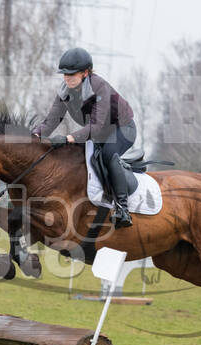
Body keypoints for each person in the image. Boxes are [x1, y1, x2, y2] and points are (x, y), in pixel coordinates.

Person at [32, 47, 136, 228]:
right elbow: (52, 120)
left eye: (72, 74)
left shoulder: (99, 86)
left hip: (122, 129)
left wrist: (68, 138)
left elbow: (95, 126)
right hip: (99, 134)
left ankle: (122, 209)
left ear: (85, 72)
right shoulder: (64, 91)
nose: (67, 78)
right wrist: (34, 135)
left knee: (108, 155)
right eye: (64, 74)